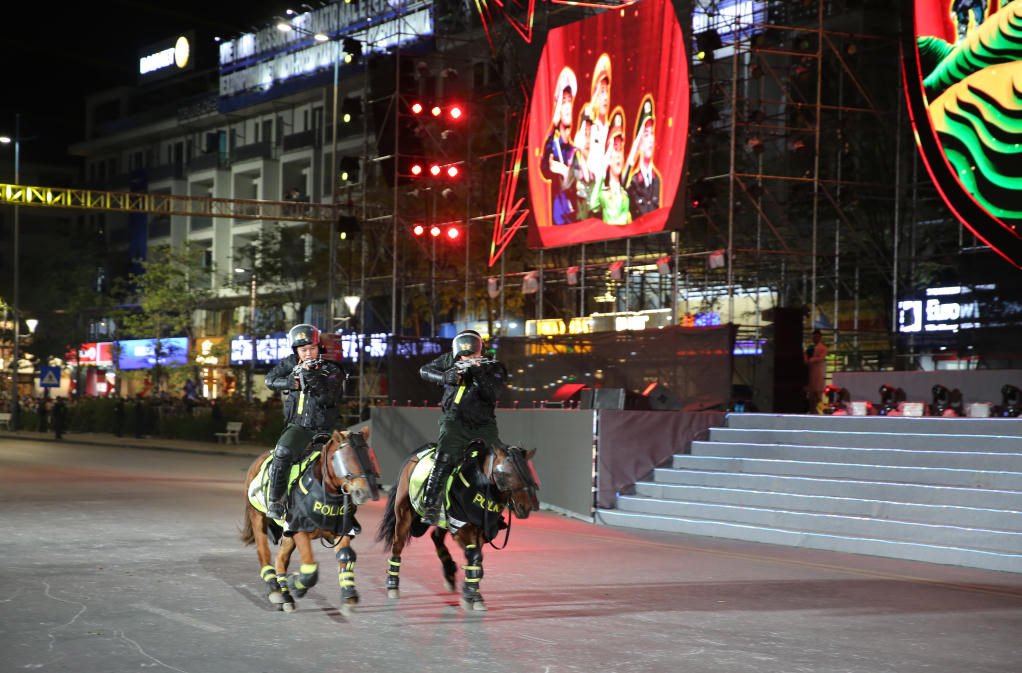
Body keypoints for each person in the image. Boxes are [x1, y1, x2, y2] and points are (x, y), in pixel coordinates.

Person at [418, 330, 509, 525]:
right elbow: (424, 370)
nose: (466, 358)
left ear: (480, 351)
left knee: (501, 461)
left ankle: (496, 508)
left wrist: (477, 373)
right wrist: (444, 377)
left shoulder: (494, 366)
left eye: (472, 355)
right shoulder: (450, 359)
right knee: (443, 458)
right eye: (463, 355)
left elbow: (492, 394)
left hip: (485, 425)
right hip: (454, 422)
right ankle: (430, 505)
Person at [262, 323, 348, 520]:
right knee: (282, 452)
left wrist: (310, 376)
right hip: (299, 427)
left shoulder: (332, 369)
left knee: (353, 449)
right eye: (303, 349)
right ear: (296, 350)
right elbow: (269, 380)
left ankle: (353, 501)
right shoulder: (291, 363)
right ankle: (276, 501)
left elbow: (326, 398)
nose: (308, 353)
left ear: (319, 347)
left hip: (329, 426)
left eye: (312, 348)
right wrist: (288, 382)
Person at [540, 66, 579, 225]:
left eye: (570, 101)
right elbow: (544, 168)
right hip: (558, 222)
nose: (568, 107)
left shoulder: (574, 151)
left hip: (576, 222)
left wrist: (564, 171)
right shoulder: (553, 145)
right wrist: (553, 127)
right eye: (564, 102)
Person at [588, 107, 631, 225]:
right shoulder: (603, 193)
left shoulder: (625, 195)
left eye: (620, 149)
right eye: (615, 149)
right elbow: (593, 205)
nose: (618, 156)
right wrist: (603, 169)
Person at [625, 94, 662, 220]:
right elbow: (622, 185)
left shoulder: (657, 180)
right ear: (638, 142)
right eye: (646, 134)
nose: (650, 139)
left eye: (651, 133)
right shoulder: (633, 183)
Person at [803, 329, 828, 413]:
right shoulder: (810, 348)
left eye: (817, 337)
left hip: (818, 373)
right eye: (814, 337)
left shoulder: (823, 348)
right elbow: (805, 357)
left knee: (818, 396)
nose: (816, 338)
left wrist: (811, 360)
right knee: (811, 397)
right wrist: (807, 360)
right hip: (810, 373)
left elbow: (821, 358)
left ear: (820, 338)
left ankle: (820, 413)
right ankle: (812, 412)